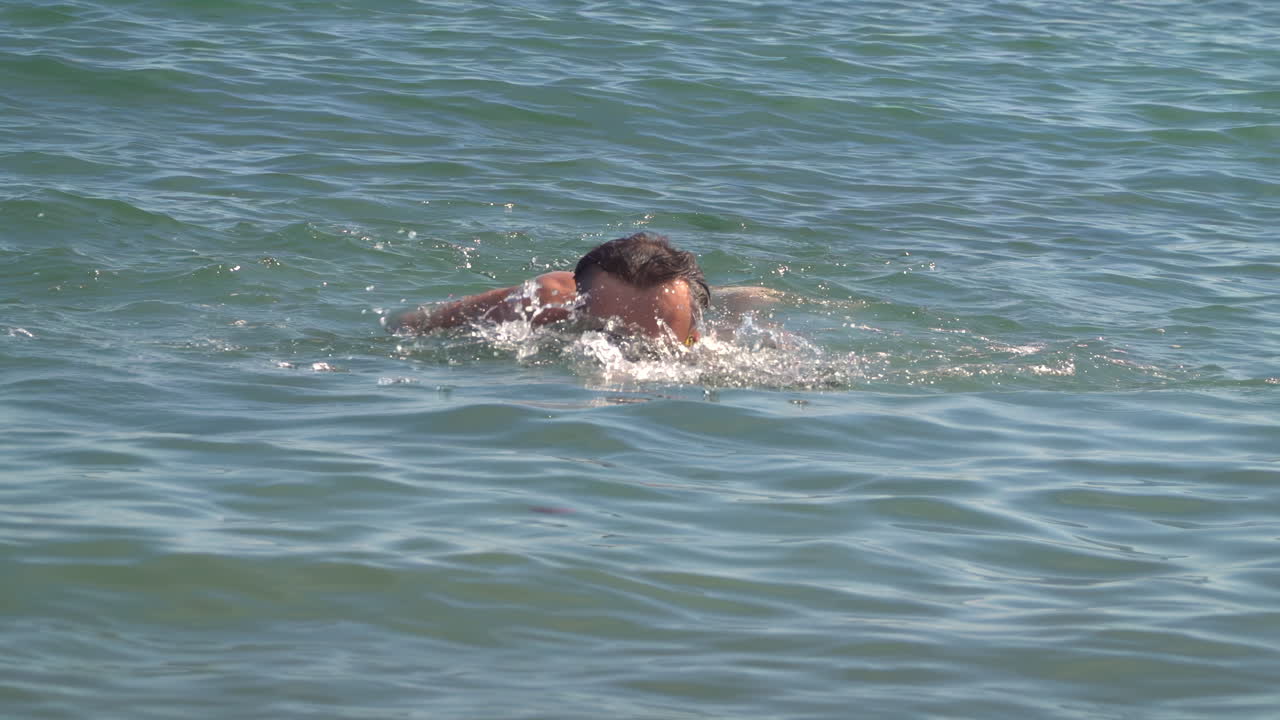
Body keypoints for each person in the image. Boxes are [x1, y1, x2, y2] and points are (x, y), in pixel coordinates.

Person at [388, 233, 712, 346]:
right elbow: (409, 324)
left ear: (692, 338)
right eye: (607, 335)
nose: (623, 355)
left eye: (648, 346)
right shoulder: (540, 304)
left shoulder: (712, 353)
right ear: (575, 310)